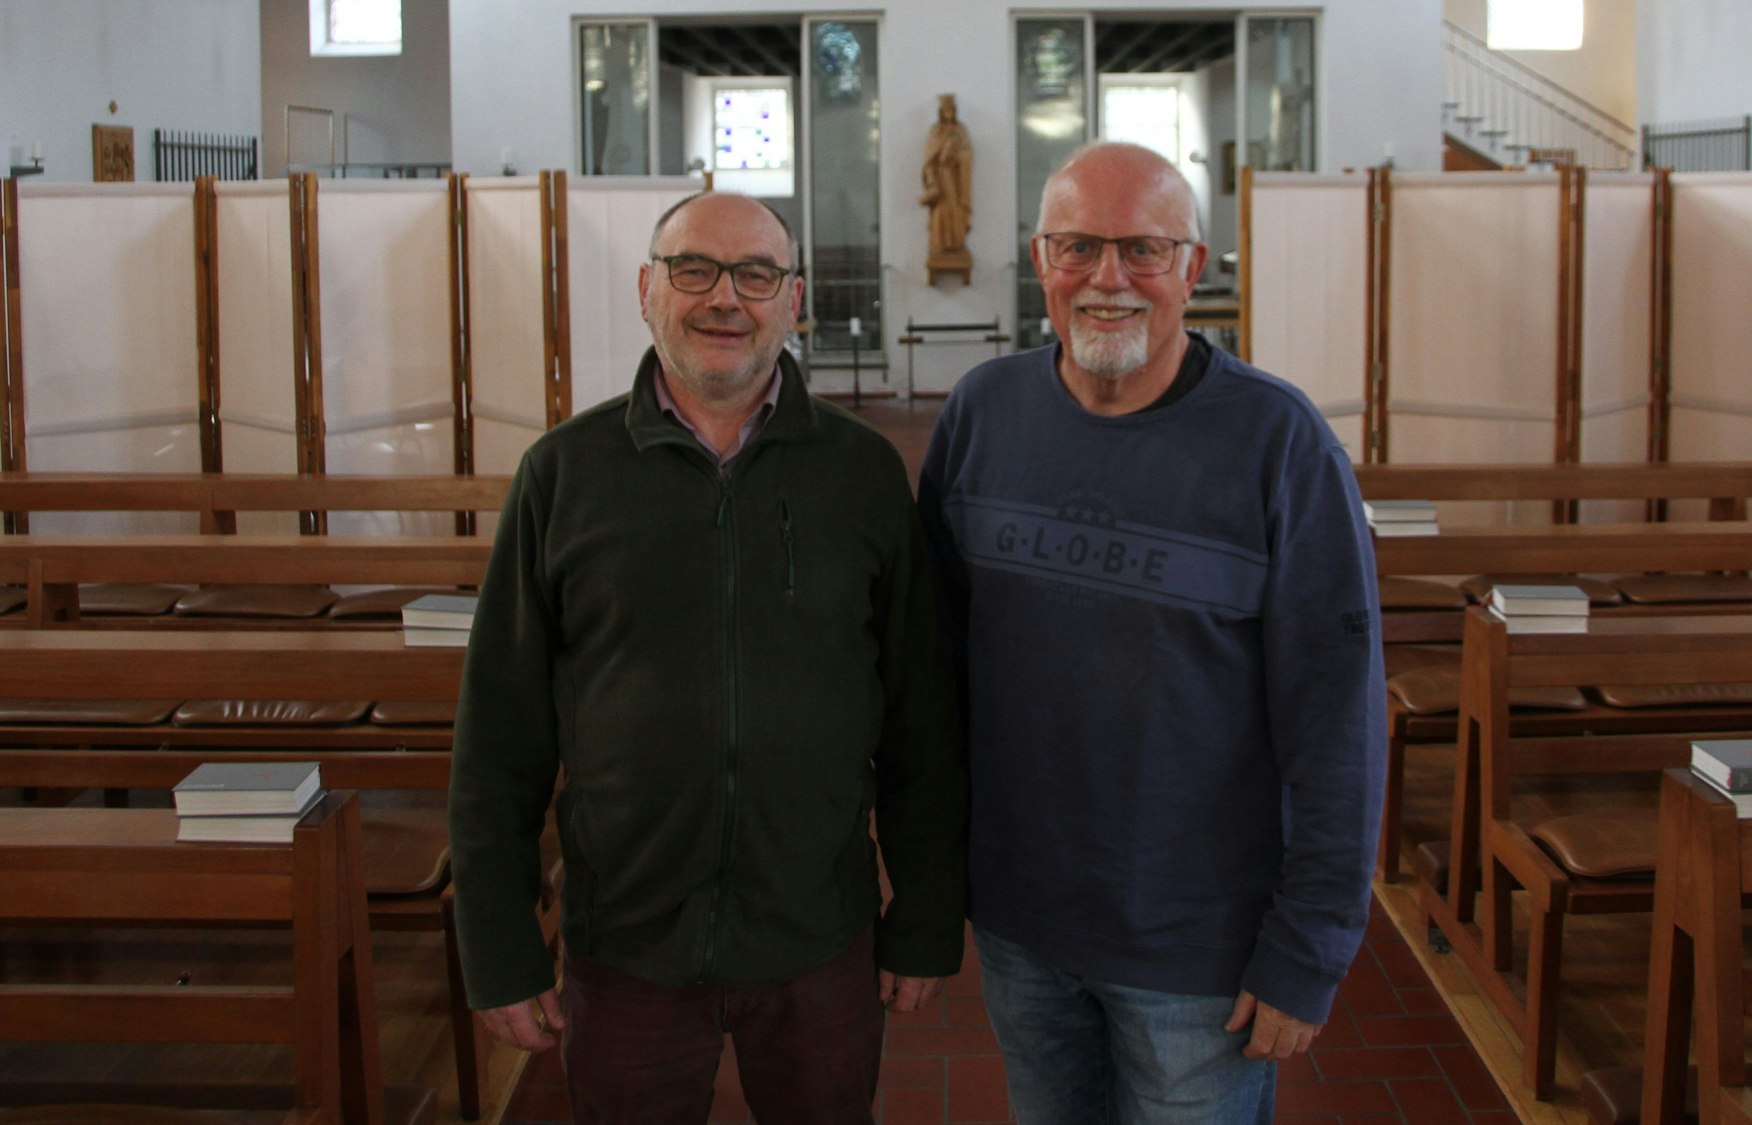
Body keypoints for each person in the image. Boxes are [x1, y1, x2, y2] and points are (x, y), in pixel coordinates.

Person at [449, 191, 967, 1123]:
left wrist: (924, 916)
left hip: (818, 937)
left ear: (794, 300)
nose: (725, 297)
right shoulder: (564, 475)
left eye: (757, 274)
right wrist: (496, 942)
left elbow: (920, 716)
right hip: (628, 943)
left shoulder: (860, 473)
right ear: (649, 289)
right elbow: (499, 733)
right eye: (694, 269)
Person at [918, 142, 1387, 1123]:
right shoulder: (981, 416)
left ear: (1193, 266)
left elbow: (1335, 716)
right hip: (1021, 926)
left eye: (1141, 249)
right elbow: (934, 676)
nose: (1106, 279)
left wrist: (1311, 945)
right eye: (1076, 247)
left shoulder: (1279, 445)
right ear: (1038, 258)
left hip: (1195, 947)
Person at [921, 93, 973, 257]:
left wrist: (956, 157)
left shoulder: (961, 130)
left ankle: (956, 243)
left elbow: (968, 152)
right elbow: (929, 157)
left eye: (951, 110)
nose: (948, 114)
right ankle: (940, 243)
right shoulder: (936, 130)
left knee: (955, 208)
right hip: (939, 175)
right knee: (940, 210)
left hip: (955, 177)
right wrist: (932, 177)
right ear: (940, 112)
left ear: (955, 111)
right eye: (945, 111)